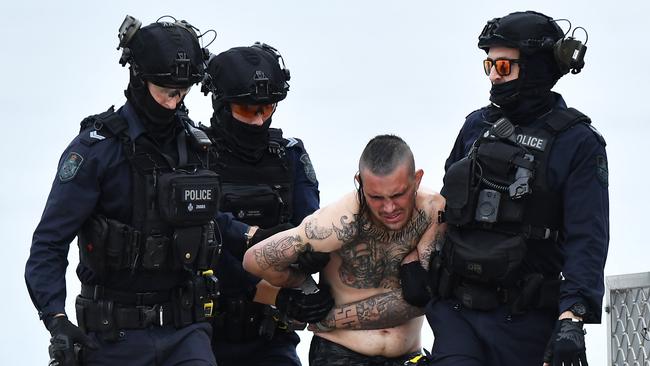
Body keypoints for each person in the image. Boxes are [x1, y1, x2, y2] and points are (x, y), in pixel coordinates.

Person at [25, 15, 221, 365]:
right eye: (166, 92)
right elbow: (49, 243)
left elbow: (220, 225)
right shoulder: (94, 151)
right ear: (138, 79)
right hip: (113, 337)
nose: (174, 103)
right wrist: (54, 319)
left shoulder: (198, 147)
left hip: (185, 332)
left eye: (182, 93)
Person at [418, 10, 608, 366]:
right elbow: (444, 208)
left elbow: (588, 237)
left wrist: (573, 318)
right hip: (456, 311)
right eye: (487, 65)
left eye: (503, 66)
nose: (492, 75)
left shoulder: (577, 141)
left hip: (526, 320)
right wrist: (418, 265)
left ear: (535, 67)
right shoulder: (475, 126)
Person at [243, 134, 447, 366]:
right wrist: (300, 287)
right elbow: (254, 261)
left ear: (417, 179)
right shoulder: (336, 223)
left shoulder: (433, 211)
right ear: (360, 182)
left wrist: (332, 319)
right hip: (340, 354)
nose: (389, 207)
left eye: (398, 195)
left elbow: (426, 292)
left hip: (408, 355)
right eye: (376, 197)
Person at [201, 43, 333, 366]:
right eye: (248, 110)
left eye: (268, 108)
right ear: (221, 105)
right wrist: (268, 282)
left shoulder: (289, 155)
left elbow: (310, 229)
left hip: (268, 333)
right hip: (201, 334)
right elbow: (206, 234)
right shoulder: (194, 156)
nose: (260, 121)